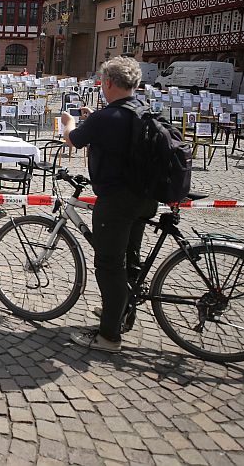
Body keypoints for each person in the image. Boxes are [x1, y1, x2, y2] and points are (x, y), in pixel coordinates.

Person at [59, 56, 157, 353]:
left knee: (108, 265)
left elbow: (72, 140)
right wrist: (95, 119)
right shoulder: (143, 111)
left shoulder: (105, 118)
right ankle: (122, 315)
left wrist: (70, 122)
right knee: (129, 259)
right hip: (146, 198)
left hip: (116, 200)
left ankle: (108, 337)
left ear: (108, 83)